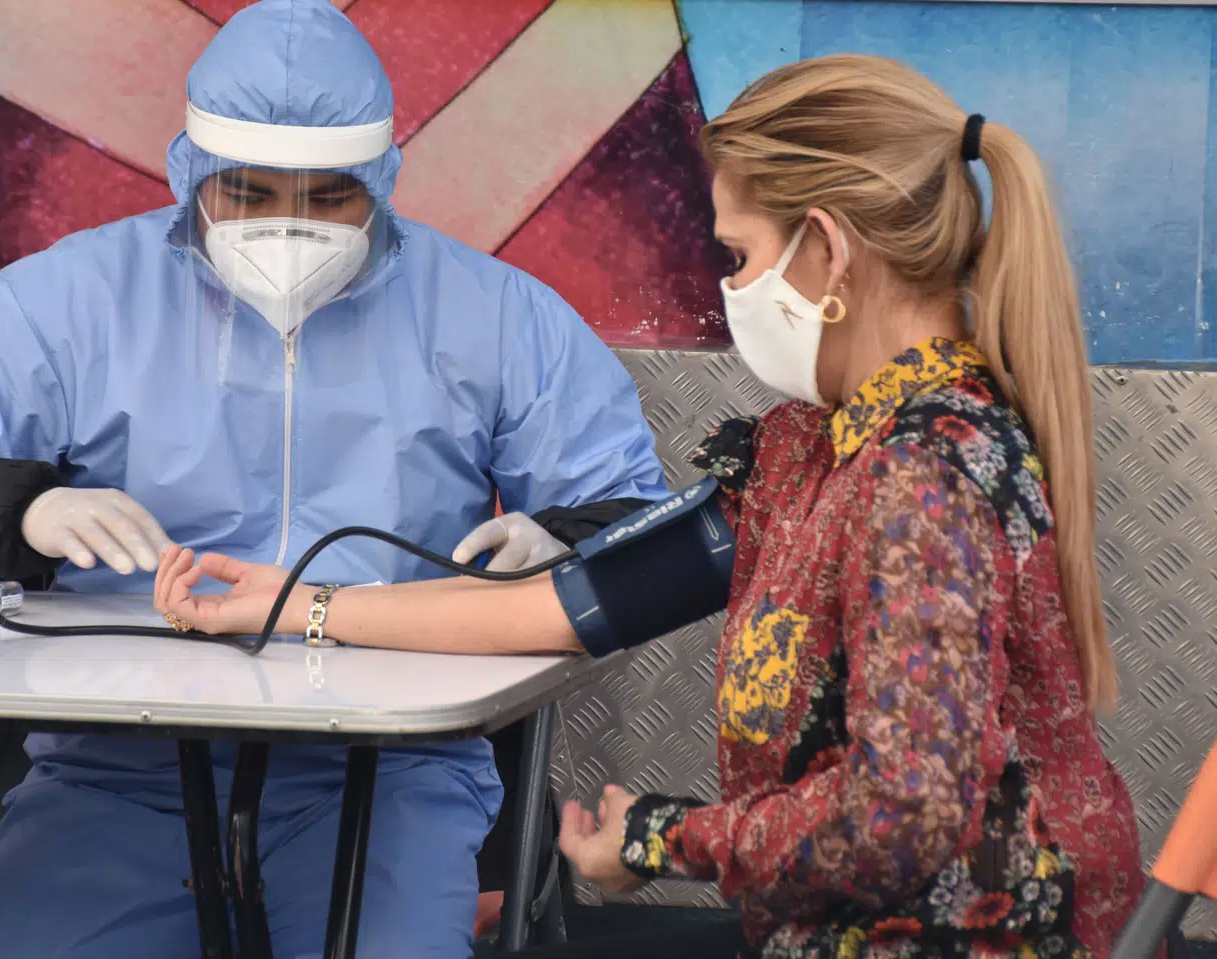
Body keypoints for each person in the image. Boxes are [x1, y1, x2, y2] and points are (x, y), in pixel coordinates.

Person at [154, 53, 1146, 958]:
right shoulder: (811, 451)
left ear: (827, 250)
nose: (731, 288)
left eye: (738, 256)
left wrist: (662, 837)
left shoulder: (924, 476)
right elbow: (575, 604)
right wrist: (296, 601)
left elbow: (900, 818)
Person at [0, 0, 667, 955]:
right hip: (116, 764)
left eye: (328, 198)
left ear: (382, 178)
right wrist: (23, 509)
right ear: (191, 170)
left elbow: (642, 520)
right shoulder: (72, 301)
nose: (288, 227)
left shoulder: (494, 316)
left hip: (390, 767)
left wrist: (562, 537)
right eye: (248, 192)